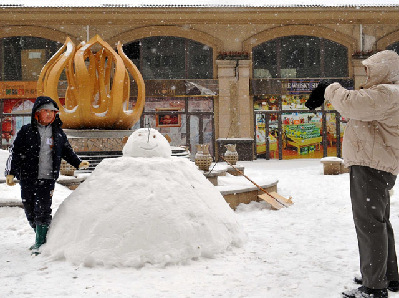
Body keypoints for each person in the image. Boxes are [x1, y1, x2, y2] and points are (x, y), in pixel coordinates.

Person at [306, 50, 399, 298]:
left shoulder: (387, 93)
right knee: (379, 223)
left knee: (369, 224)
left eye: (371, 69)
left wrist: (329, 87)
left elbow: (349, 103)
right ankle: (387, 276)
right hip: (375, 162)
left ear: (385, 69)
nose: (367, 73)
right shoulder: (387, 94)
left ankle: (374, 287)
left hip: (371, 164)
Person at [5, 95, 89, 254]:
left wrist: (77, 162)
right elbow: (15, 153)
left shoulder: (57, 133)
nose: (50, 114)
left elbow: (67, 151)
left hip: (48, 178)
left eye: (53, 111)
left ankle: (41, 243)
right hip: (28, 178)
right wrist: (11, 173)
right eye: (46, 111)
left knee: (42, 210)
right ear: (37, 112)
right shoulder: (26, 131)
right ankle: (40, 236)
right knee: (30, 209)